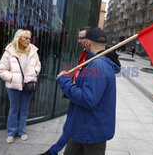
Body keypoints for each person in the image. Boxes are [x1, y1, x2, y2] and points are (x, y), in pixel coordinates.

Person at [41, 27, 121, 155]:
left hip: (92, 132)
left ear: (88, 42)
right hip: (81, 126)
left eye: (83, 39)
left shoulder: (98, 65)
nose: (80, 41)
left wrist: (65, 81)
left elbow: (88, 99)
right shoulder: (94, 61)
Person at [0, 29, 41, 143]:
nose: (28, 40)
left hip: (28, 85)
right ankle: (11, 132)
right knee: (13, 109)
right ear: (18, 38)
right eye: (25, 38)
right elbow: (1, 70)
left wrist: (35, 72)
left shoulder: (33, 51)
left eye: (29, 38)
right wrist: (11, 78)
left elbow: (38, 65)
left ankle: (22, 131)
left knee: (24, 110)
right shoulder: (10, 51)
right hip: (13, 86)